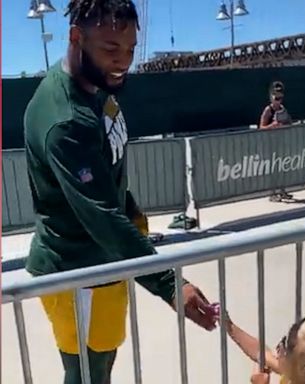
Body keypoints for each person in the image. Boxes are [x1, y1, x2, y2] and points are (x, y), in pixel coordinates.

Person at [24, 1, 217, 383]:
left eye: (130, 49)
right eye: (111, 49)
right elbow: (100, 216)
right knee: (88, 375)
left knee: (103, 365)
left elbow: (107, 179)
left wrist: (131, 212)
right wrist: (170, 284)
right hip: (76, 272)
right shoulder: (65, 119)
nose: (123, 60)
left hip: (107, 263)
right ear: (76, 37)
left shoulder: (94, 84)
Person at [259, 81, 293, 202]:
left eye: (280, 98)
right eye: (276, 98)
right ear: (271, 97)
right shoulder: (268, 110)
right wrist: (272, 126)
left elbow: (289, 121)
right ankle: (272, 193)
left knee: (283, 167)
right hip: (271, 143)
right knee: (273, 168)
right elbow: (261, 127)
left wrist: (286, 124)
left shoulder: (283, 109)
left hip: (282, 142)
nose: (278, 100)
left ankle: (282, 190)